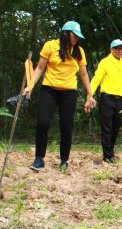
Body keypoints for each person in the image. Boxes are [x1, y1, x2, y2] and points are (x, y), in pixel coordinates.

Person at [26, 20, 96, 172]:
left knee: (66, 127)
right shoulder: (50, 46)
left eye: (78, 36)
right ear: (65, 34)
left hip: (69, 93)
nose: (76, 38)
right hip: (49, 90)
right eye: (74, 35)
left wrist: (90, 95)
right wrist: (30, 86)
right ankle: (39, 159)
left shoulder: (79, 51)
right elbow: (39, 68)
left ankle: (64, 160)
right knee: (43, 123)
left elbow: (83, 74)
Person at [90, 39, 122, 164]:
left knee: (116, 127)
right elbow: (96, 79)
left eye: (121, 48)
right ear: (111, 49)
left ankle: (110, 152)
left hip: (120, 100)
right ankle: (107, 156)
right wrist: (89, 95)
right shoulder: (105, 62)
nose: (119, 51)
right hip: (107, 98)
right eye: (116, 48)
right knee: (107, 128)